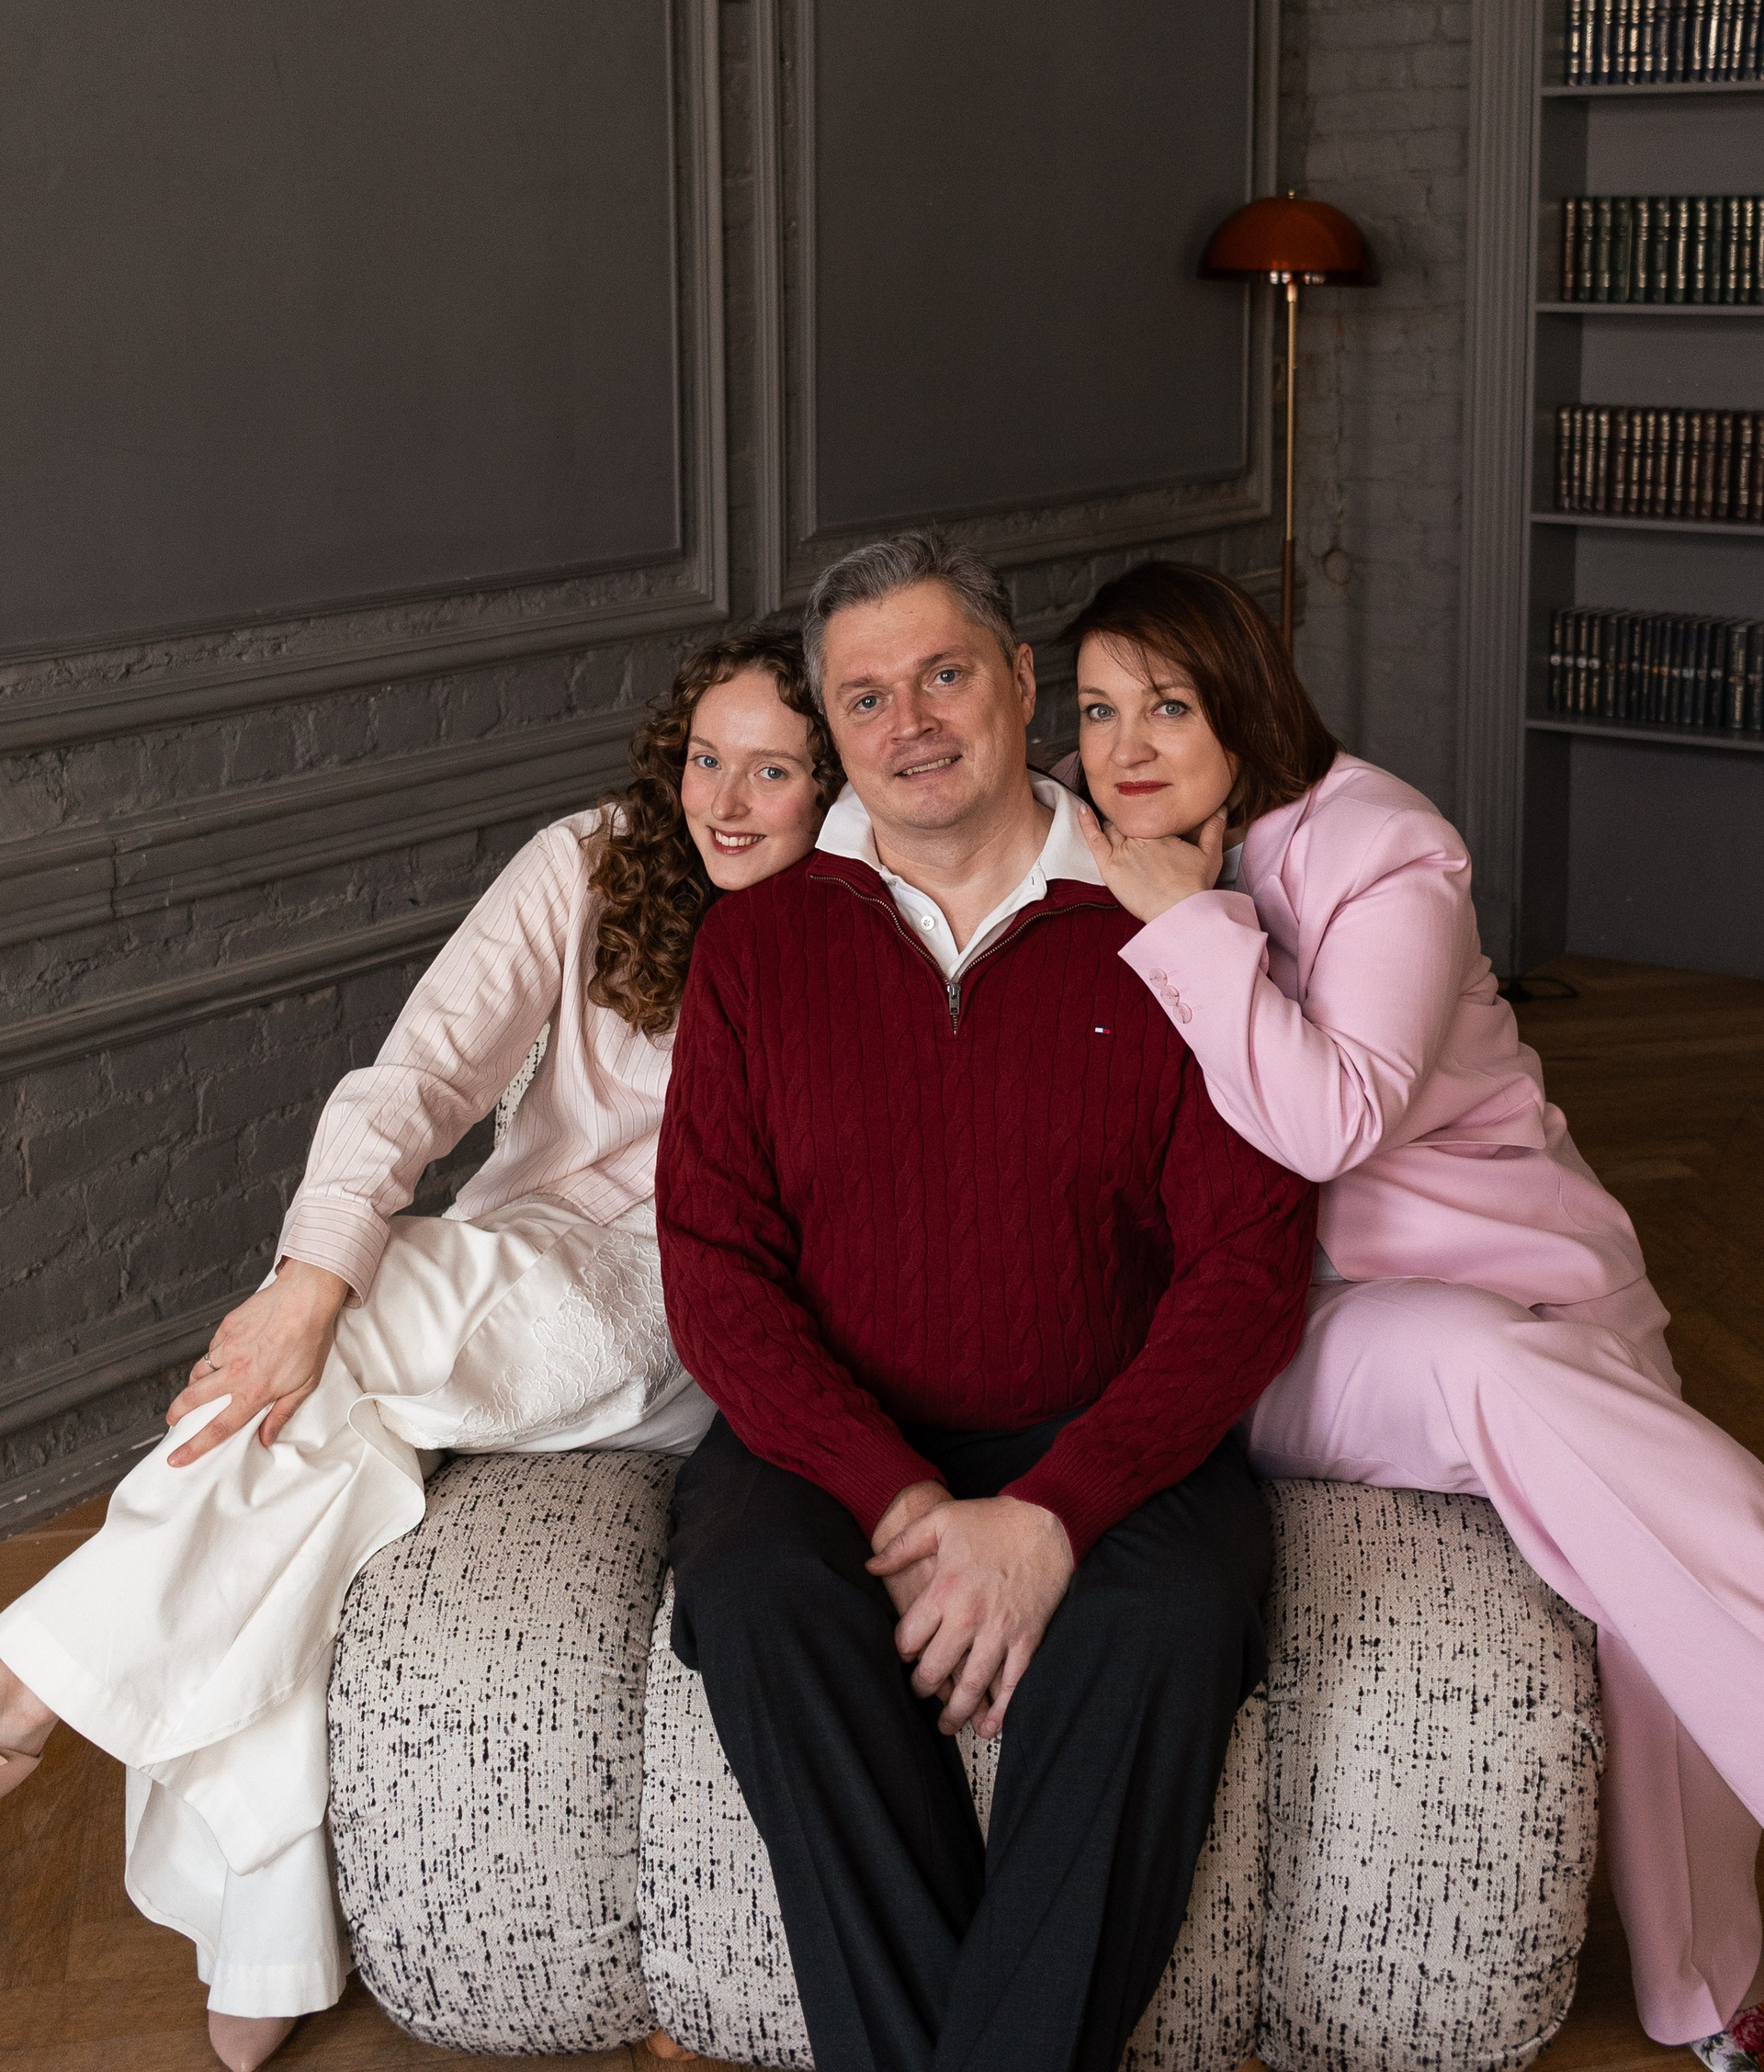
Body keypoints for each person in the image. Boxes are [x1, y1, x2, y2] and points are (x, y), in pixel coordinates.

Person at [0, 630, 835, 2072]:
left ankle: (27, 1690)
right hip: (512, 1277)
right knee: (320, 1448)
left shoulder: (867, 912)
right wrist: (309, 1285)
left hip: (680, 1317)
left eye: (773, 770)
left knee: (342, 1330)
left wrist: (311, 1293)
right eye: (708, 759)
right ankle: (264, 1937)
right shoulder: (596, 857)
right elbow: (422, 1071)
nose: (727, 801)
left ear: (837, 782)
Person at [1064, 556, 1764, 2071]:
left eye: (1165, 705)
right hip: (1291, 1329)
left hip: (1528, 1267)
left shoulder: (1386, 847)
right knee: (1488, 1372)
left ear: (1241, 699)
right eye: (1098, 710)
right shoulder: (1089, 850)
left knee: (1629, 1553)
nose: (1125, 747)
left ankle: (1714, 1991)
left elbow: (1339, 1115)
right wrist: (1174, 913)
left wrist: (1186, 917)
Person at [653, 529, 1317, 2072]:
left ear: (1020, 682)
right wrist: (897, 1498)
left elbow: (1249, 1269)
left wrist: (1055, 1513)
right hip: (831, 1446)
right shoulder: (756, 948)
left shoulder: (1172, 929)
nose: (911, 724)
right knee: (755, 1594)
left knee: (1165, 1622)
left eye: (944, 675)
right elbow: (716, 1274)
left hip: (1110, 1431)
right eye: (865, 697)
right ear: (835, 732)